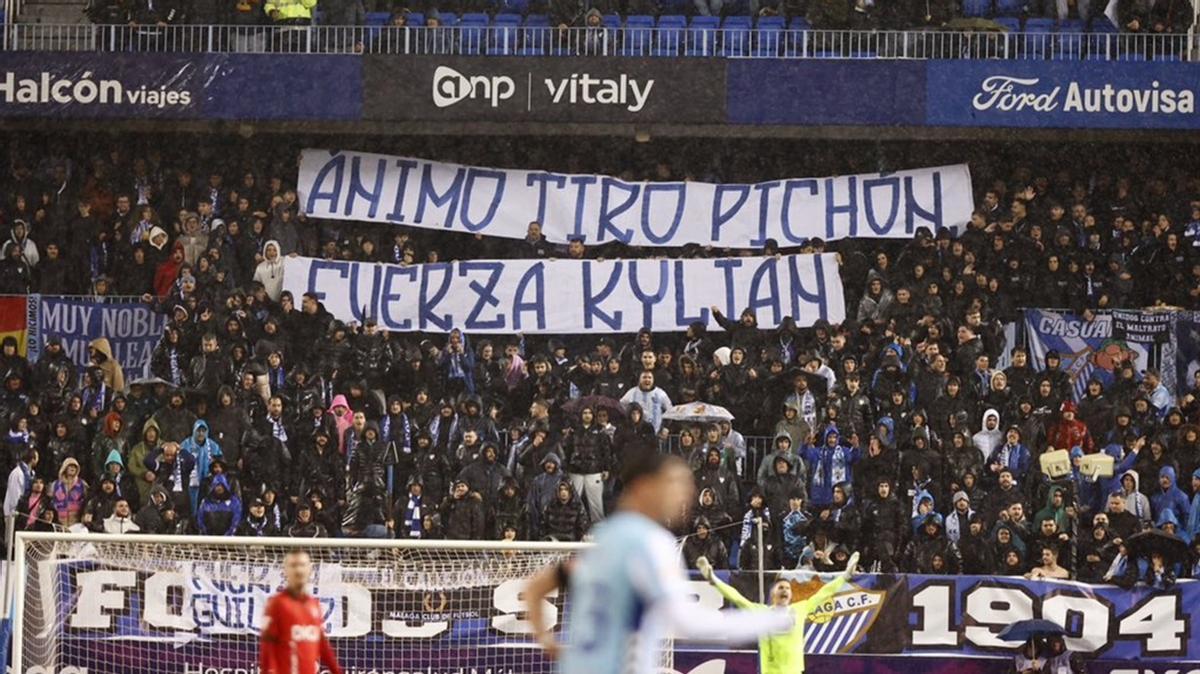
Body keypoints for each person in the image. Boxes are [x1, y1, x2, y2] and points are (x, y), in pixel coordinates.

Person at [524, 454, 795, 674]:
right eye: (675, 483)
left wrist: (547, 641)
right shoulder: (649, 542)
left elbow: (539, 586)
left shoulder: (605, 536)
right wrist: (770, 619)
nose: (685, 494)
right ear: (644, 486)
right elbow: (688, 622)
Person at [697, 550, 859, 674]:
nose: (785, 590)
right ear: (773, 594)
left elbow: (825, 592)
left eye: (788, 588)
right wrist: (714, 580)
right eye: (781, 587)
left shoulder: (800, 609)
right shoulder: (761, 612)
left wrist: (845, 576)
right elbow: (737, 598)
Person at [260, 549, 343, 674]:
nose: (298, 570)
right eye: (293, 565)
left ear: (310, 569)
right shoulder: (276, 604)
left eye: (302, 565)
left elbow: (322, 645)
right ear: (285, 570)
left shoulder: (314, 605)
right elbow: (267, 647)